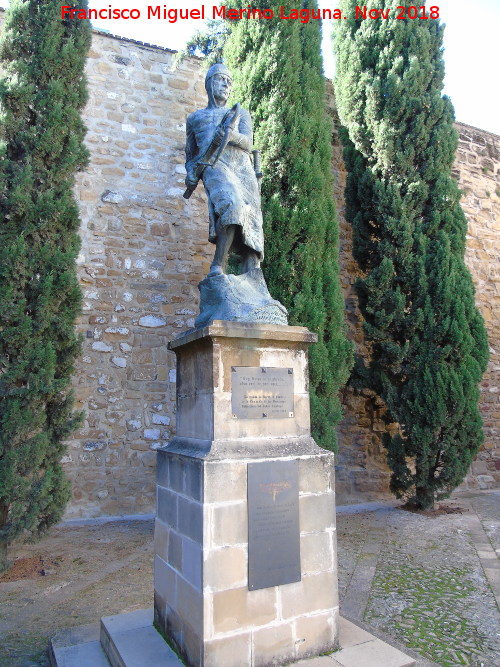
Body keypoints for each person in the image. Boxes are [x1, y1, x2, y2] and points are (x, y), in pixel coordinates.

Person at [185, 64, 264, 277]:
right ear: (209, 83)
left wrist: (231, 136)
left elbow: (248, 143)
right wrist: (190, 174)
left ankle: (250, 275)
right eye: (221, 79)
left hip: (242, 168)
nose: (226, 85)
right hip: (214, 166)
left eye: (229, 82)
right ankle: (218, 265)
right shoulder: (195, 119)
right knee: (233, 205)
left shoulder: (239, 114)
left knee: (252, 220)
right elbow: (191, 156)